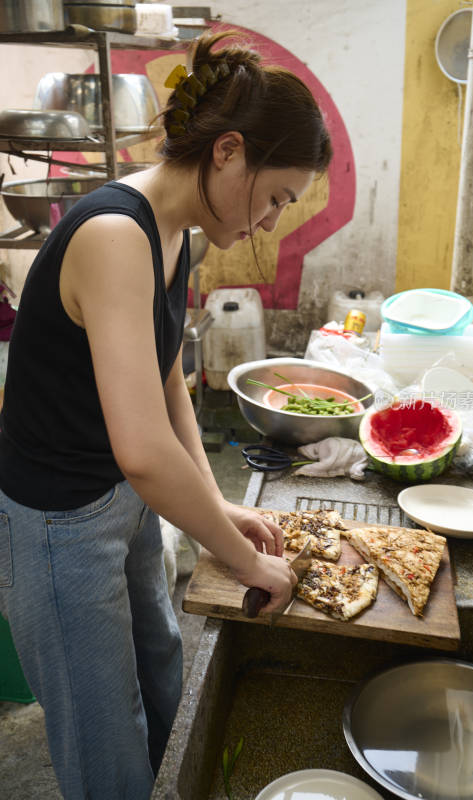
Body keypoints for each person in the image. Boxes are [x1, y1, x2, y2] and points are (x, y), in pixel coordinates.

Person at [0, 30, 332, 799]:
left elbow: (167, 379)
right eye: (277, 196)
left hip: (124, 498)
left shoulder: (174, 231)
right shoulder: (115, 234)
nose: (271, 222)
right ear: (228, 153)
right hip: (58, 525)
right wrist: (246, 562)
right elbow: (146, 450)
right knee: (105, 743)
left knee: (163, 686)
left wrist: (212, 503)